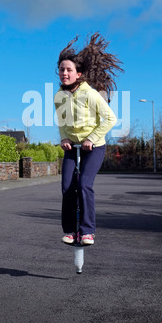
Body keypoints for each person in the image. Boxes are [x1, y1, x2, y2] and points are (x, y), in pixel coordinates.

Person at [54, 33, 123, 246]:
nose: (64, 73)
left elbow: (110, 118)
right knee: (67, 187)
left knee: (84, 184)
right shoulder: (59, 96)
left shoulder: (90, 94)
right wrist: (64, 137)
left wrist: (92, 138)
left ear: (79, 73)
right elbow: (62, 121)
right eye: (62, 69)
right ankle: (70, 231)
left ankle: (87, 231)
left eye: (69, 70)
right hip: (71, 146)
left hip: (94, 147)